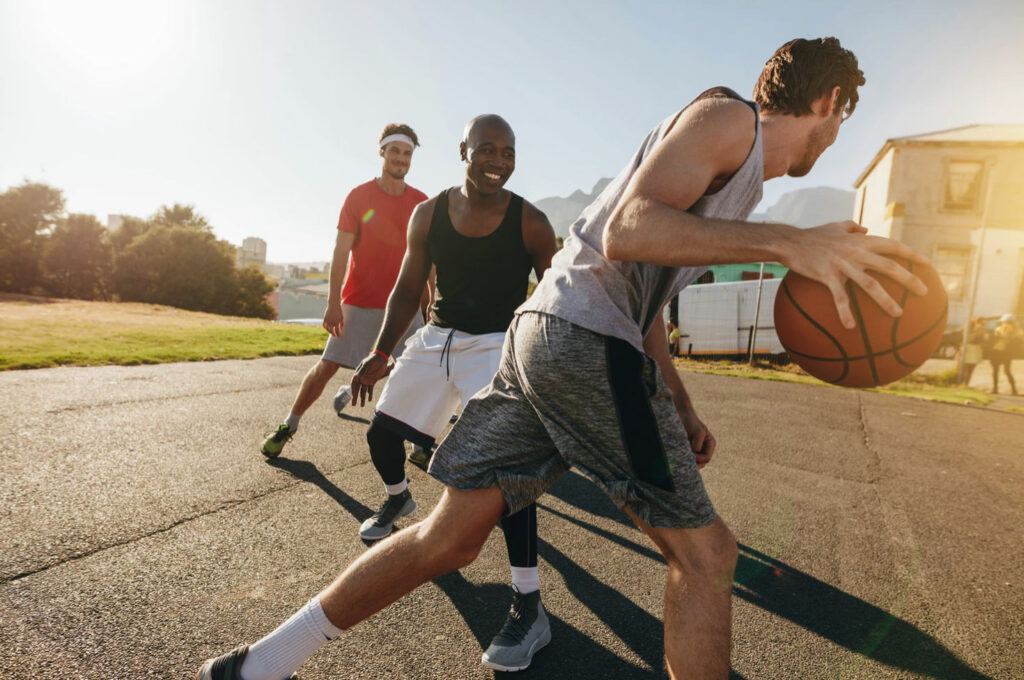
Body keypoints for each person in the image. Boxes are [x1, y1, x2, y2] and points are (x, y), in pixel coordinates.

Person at [199, 37, 930, 680]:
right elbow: (631, 230)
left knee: (448, 540)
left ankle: (257, 665)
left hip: (549, 337)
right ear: (829, 101)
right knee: (707, 558)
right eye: (841, 120)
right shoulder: (729, 118)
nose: (835, 136)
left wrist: (678, 398)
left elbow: (636, 293)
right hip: (583, 345)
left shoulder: (736, 188)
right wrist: (792, 243)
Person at [350, 114, 557, 671]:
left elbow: (559, 295)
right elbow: (409, 284)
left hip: (495, 344)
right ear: (463, 150)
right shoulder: (429, 213)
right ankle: (399, 497)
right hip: (437, 337)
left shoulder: (531, 223)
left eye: (507, 152)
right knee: (382, 437)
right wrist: (383, 350)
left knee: (506, 468)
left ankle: (529, 603)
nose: (497, 161)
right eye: (486, 149)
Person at [259, 125, 428, 459]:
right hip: (359, 301)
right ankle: (288, 426)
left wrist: (431, 300)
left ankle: (417, 440)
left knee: (416, 368)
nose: (400, 158)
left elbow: (427, 259)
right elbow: (340, 251)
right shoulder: (359, 197)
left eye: (407, 153)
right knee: (327, 366)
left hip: (405, 304)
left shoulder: (422, 203)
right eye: (394, 151)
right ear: (382, 152)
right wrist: (333, 301)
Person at [990, 313, 1021, 395]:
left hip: (1007, 353)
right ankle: (995, 388)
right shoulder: (998, 329)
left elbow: (1017, 339)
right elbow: (994, 339)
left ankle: (1014, 389)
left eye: (1009, 322)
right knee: (995, 370)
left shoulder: (1015, 331)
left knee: (1006, 370)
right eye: (1005, 322)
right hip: (996, 352)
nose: (1006, 324)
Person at [961, 317, 986, 384]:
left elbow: (983, 341)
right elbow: (968, 339)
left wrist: (981, 333)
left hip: (976, 349)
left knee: (971, 369)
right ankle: (962, 383)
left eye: (982, 323)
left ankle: (966, 384)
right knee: (966, 368)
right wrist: (976, 331)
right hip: (969, 348)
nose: (981, 324)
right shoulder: (969, 328)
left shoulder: (981, 329)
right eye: (979, 322)